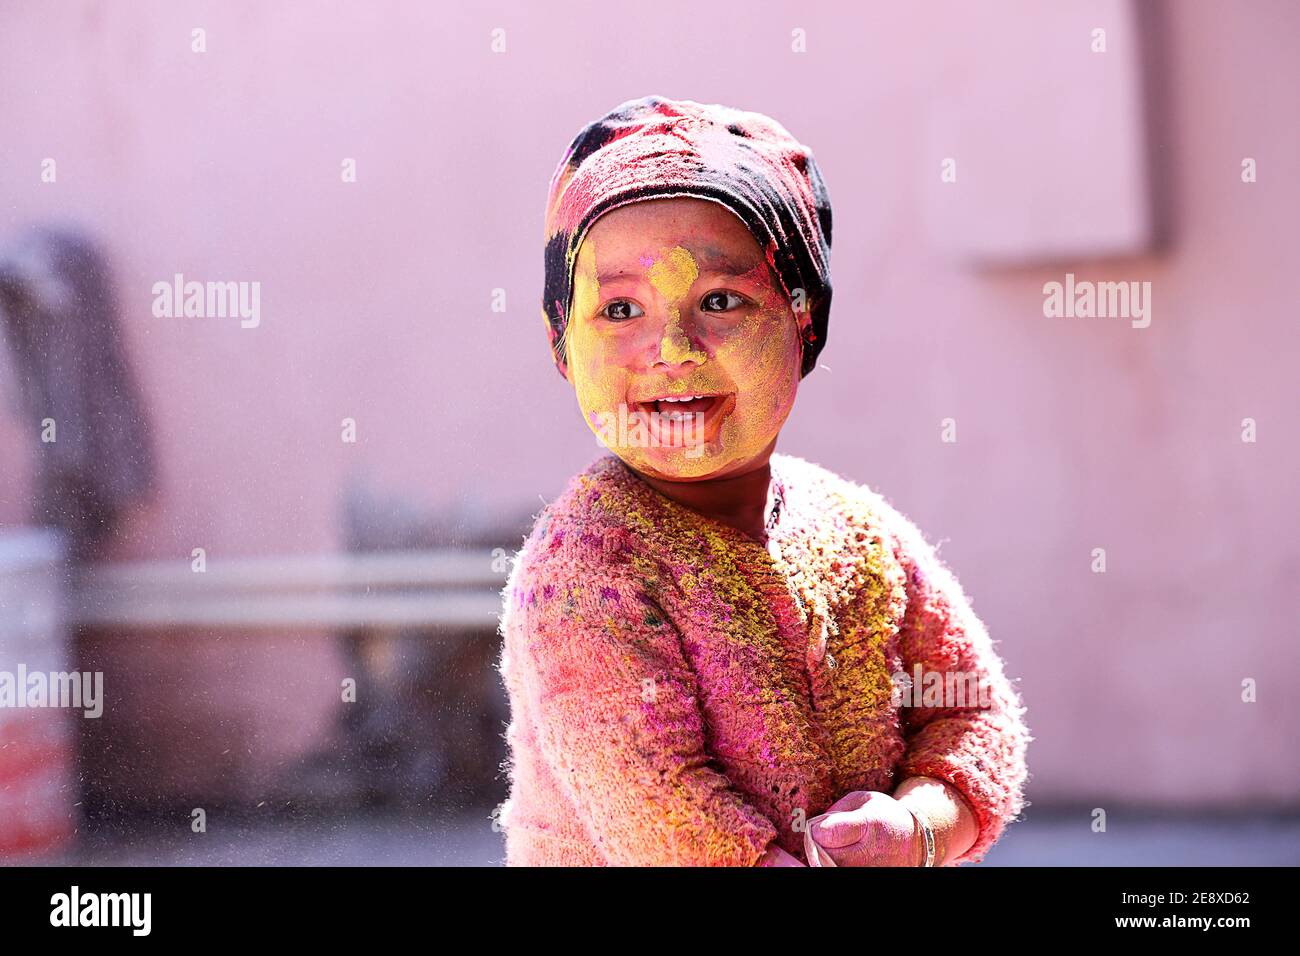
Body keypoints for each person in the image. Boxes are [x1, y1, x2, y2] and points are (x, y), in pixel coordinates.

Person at [496, 95, 1030, 866]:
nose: (672, 348)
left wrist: (916, 829)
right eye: (620, 308)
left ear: (804, 321)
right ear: (560, 341)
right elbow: (656, 805)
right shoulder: (582, 571)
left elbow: (973, 715)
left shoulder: (860, 536)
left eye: (720, 300)